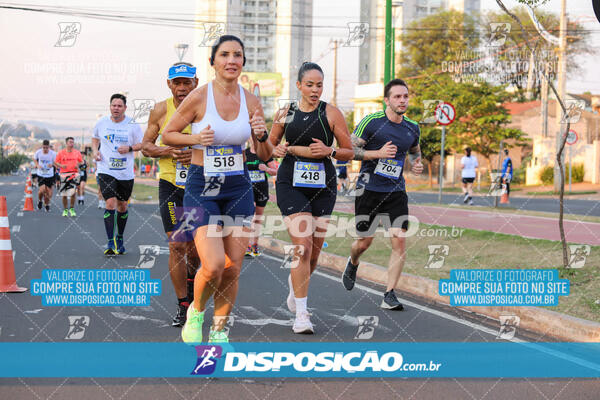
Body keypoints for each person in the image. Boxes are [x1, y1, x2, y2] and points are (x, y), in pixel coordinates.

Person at [162, 35, 273, 343]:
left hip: (238, 187)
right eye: (224, 54)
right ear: (213, 62)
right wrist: (195, 139)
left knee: (233, 267)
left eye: (237, 55)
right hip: (201, 186)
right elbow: (169, 134)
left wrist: (262, 137)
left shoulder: (251, 101)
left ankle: (220, 329)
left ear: (243, 63)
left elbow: (265, 155)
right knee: (212, 265)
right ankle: (196, 312)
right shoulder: (198, 97)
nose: (231, 60)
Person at [270, 62, 353, 333]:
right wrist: (277, 149)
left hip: (323, 185)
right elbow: (268, 145)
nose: (315, 90)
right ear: (299, 86)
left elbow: (348, 151)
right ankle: (302, 315)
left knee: (314, 252)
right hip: (290, 183)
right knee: (302, 246)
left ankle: (296, 292)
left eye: (319, 85)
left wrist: (330, 150)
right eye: (310, 85)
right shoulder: (285, 113)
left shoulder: (331, 113)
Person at [341, 79, 423, 310]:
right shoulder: (371, 122)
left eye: (405, 96)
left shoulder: (412, 127)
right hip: (368, 189)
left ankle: (389, 294)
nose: (402, 100)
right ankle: (353, 261)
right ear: (387, 100)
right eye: (397, 97)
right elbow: (350, 151)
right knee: (364, 242)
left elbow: (415, 152)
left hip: (395, 190)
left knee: (399, 238)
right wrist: (378, 153)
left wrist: (417, 164)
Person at [141, 61, 201, 327]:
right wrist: (170, 151)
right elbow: (146, 146)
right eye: (176, 83)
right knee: (177, 245)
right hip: (171, 185)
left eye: (186, 82)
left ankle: (191, 282)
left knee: (196, 250)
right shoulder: (160, 110)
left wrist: (196, 153)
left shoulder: (206, 108)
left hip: (200, 185)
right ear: (169, 84)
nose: (181, 88)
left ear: (195, 83)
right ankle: (183, 305)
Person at [92, 93, 143, 255]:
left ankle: (119, 237)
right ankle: (109, 242)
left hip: (125, 172)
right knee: (110, 203)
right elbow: (95, 138)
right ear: (110, 107)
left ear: (125, 108)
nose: (116, 108)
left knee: (122, 205)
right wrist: (95, 151)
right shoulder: (101, 123)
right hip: (105, 169)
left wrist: (129, 148)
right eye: (114, 105)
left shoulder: (132, 125)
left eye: (119, 106)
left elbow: (141, 144)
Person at [244, 139, 278, 257]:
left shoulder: (265, 154)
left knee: (257, 219)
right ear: (249, 139)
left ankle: (254, 245)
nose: (254, 141)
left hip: (262, 189)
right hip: (248, 190)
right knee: (250, 216)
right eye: (252, 138)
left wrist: (267, 169)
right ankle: (247, 245)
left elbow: (275, 171)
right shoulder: (244, 153)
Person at [54, 137, 83, 217]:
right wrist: (61, 165)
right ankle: (65, 209)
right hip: (64, 174)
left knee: (73, 192)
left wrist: (79, 165)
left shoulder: (77, 152)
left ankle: (72, 208)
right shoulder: (61, 153)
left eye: (73, 142)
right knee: (64, 194)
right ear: (66, 143)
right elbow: (56, 162)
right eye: (70, 142)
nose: (72, 144)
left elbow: (82, 162)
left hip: (74, 174)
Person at [33, 139, 57, 212]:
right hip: (41, 174)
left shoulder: (53, 154)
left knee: (49, 193)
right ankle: (40, 201)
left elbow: (57, 162)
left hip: (50, 175)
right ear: (42, 147)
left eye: (47, 148)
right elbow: (34, 159)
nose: (45, 149)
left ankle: (47, 204)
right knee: (42, 190)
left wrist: (52, 164)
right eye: (44, 147)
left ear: (49, 147)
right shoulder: (38, 152)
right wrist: (37, 165)